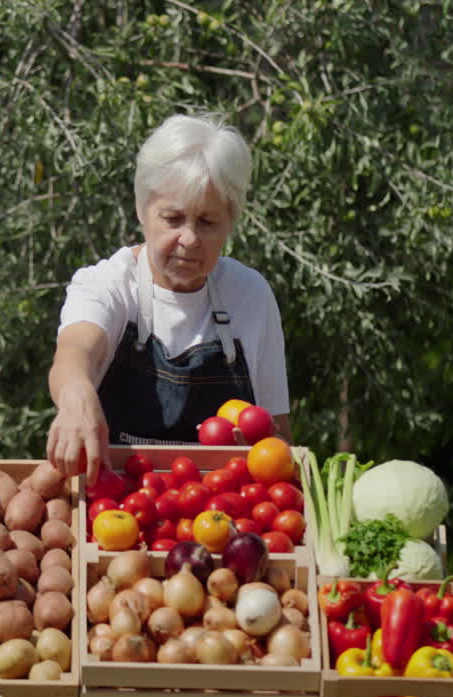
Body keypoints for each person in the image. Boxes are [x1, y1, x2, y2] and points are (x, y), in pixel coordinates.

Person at [45, 113, 291, 480]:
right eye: (173, 218)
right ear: (142, 210)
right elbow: (77, 348)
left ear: (230, 221)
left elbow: (279, 439)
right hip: (118, 509)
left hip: (223, 516)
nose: (189, 239)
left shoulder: (250, 296)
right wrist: (76, 393)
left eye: (207, 223)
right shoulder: (107, 284)